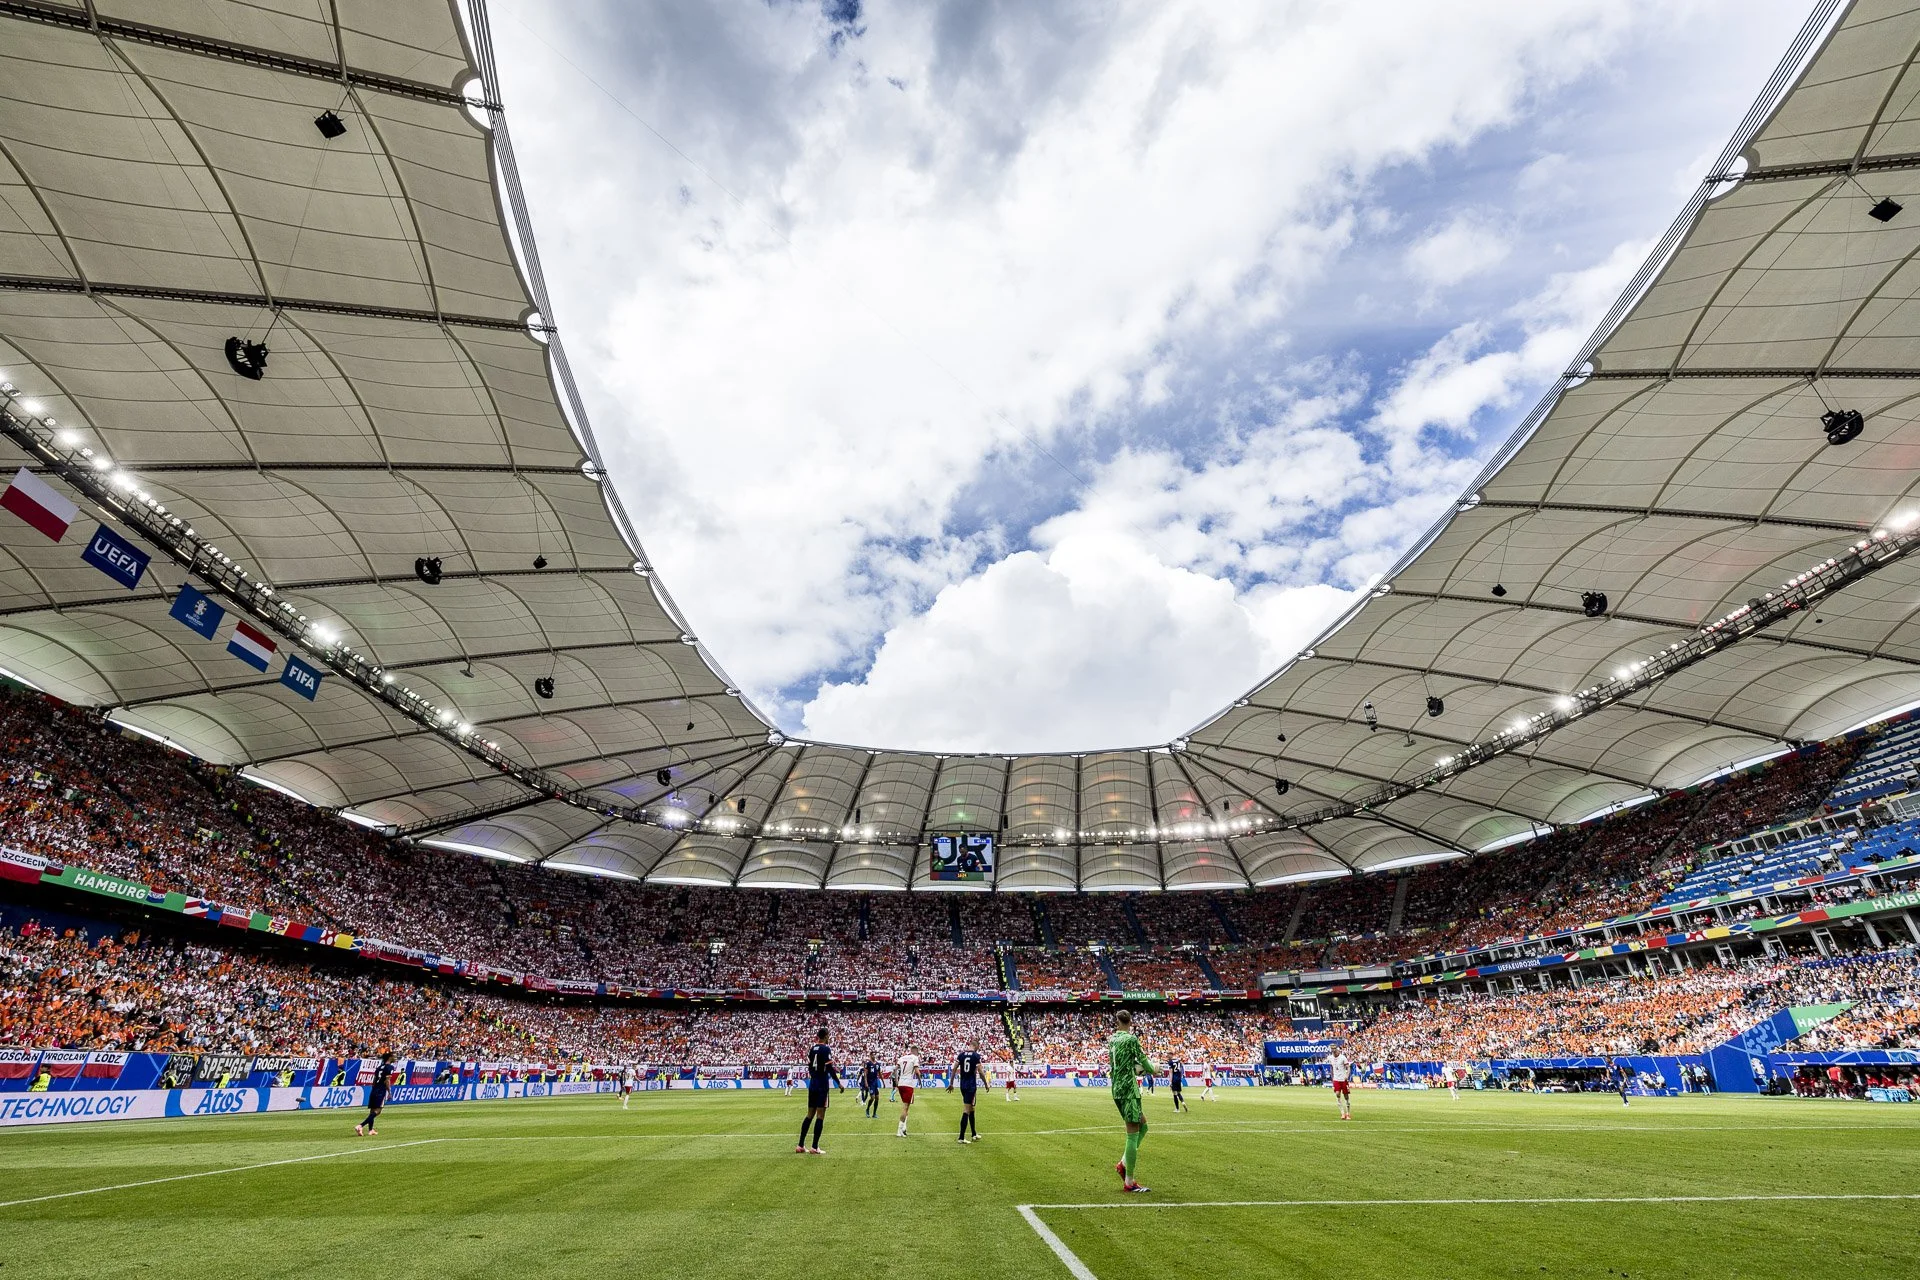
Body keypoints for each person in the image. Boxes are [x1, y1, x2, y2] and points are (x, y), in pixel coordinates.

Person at [1108, 1010, 1154, 1194]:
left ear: (1117, 1021)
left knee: (1143, 1126)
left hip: (1116, 1088)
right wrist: (1153, 1070)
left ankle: (1123, 1163)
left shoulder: (1112, 1040)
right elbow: (1144, 1062)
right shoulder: (1131, 1040)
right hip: (1128, 1089)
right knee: (1133, 1133)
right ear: (1130, 1022)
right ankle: (1129, 1181)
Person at [794, 1027, 843, 1155]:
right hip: (822, 1084)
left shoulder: (812, 1049)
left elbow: (809, 1066)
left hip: (813, 1083)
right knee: (820, 1115)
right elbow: (830, 1068)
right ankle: (814, 1147)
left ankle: (800, 1145)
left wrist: (814, 1075)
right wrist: (839, 1083)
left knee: (810, 1114)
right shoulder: (826, 1049)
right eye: (828, 1035)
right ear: (826, 1036)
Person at [948, 1038, 988, 1143]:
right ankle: (961, 1137)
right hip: (971, 1086)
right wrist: (986, 1084)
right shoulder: (976, 1056)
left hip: (963, 1085)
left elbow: (954, 1069)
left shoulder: (961, 1055)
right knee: (966, 1109)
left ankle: (974, 1133)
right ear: (976, 1047)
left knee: (971, 1108)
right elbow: (980, 1072)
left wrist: (951, 1083)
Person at [356, 1052, 394, 1136]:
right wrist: (389, 1092)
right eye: (393, 1056)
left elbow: (374, 1080)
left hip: (374, 1089)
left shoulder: (379, 1067)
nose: (395, 1058)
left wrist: (374, 1089)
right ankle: (360, 1125)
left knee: (372, 1111)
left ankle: (370, 1130)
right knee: (378, 1111)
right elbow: (387, 1080)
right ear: (390, 1057)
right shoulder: (390, 1067)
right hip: (381, 1090)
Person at [896, 1047, 920, 1138]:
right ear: (916, 1052)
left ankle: (904, 1129)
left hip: (901, 1084)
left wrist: (897, 1081)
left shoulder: (902, 1058)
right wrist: (920, 1081)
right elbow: (917, 1072)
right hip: (908, 1084)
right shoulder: (914, 1058)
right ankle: (899, 1130)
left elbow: (895, 1069)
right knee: (905, 1107)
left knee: (906, 1107)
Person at [1327, 1050, 1352, 1120]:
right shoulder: (1331, 1058)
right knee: (1337, 1094)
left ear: (1338, 1052)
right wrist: (1332, 1077)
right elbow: (1331, 1067)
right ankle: (1342, 1113)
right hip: (1336, 1079)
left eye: (1335, 1052)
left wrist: (1347, 1075)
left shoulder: (1343, 1058)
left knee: (1346, 1096)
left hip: (1343, 1079)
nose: (1334, 1053)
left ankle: (1348, 1113)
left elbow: (1348, 1067)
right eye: (1333, 1052)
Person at [861, 1054, 882, 1118]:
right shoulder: (868, 1064)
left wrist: (883, 1082)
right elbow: (865, 1073)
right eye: (872, 1055)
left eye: (874, 1054)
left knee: (877, 1098)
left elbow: (879, 1073)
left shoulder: (878, 1064)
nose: (873, 1056)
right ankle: (867, 1109)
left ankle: (874, 1113)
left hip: (875, 1083)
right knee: (872, 1097)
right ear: (870, 1056)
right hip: (870, 1083)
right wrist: (866, 1082)